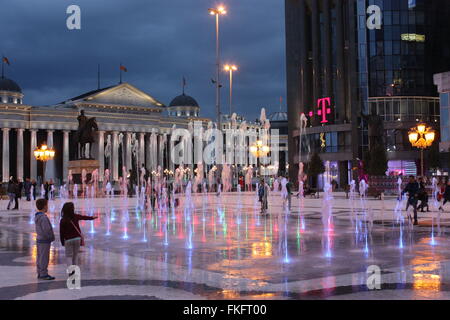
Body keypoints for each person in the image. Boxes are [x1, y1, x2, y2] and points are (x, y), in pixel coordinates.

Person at [59, 202, 97, 271]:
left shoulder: (63, 220)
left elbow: (61, 232)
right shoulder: (75, 216)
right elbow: (83, 217)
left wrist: (62, 242)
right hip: (77, 238)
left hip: (68, 240)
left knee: (69, 256)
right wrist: (92, 218)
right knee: (75, 256)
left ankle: (71, 272)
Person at [35, 199, 55, 280]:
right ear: (44, 206)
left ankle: (40, 272)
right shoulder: (43, 218)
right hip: (44, 240)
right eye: (47, 205)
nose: (47, 207)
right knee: (44, 257)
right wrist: (51, 237)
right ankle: (43, 273)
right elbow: (46, 229)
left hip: (40, 239)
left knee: (40, 256)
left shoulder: (37, 216)